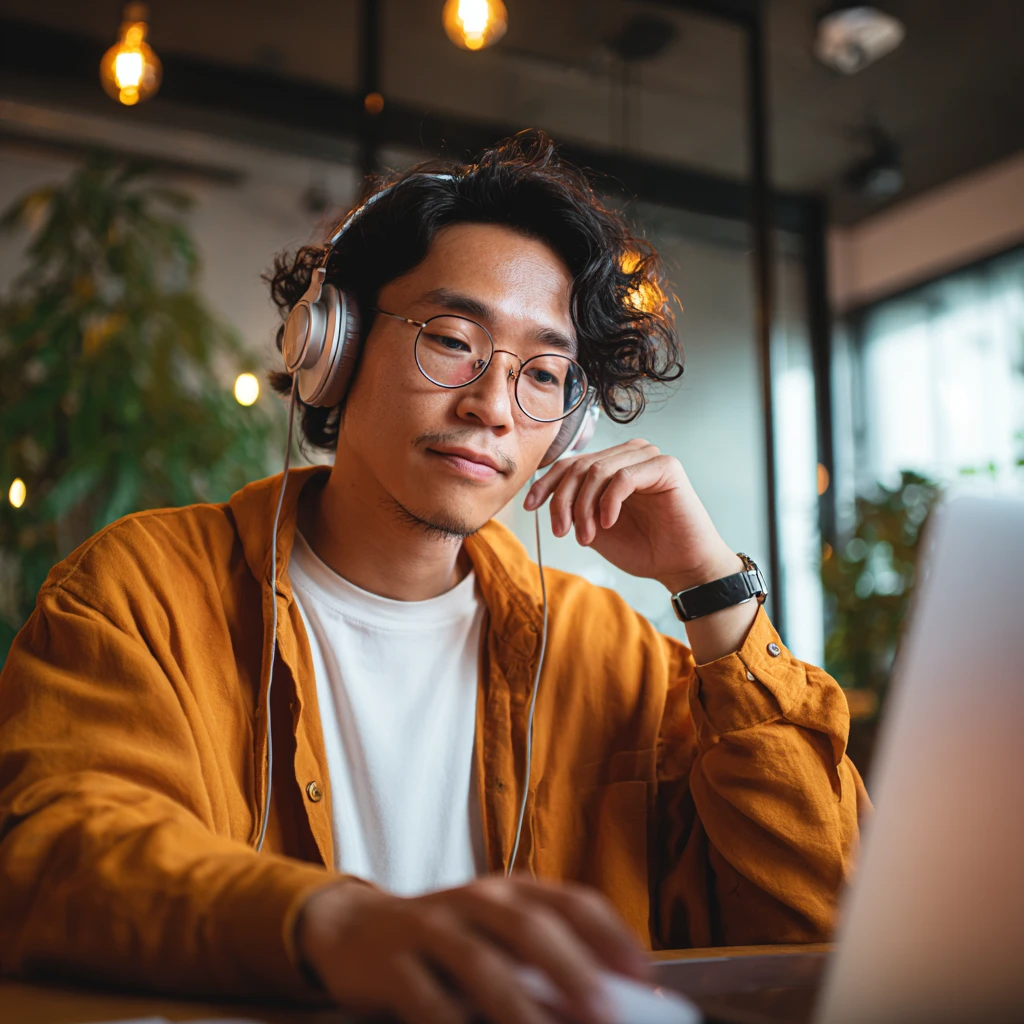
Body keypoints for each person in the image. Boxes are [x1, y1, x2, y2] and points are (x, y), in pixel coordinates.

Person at [0, 132, 868, 1024]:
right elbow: (56, 851)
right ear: (328, 347)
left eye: (541, 373)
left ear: (564, 428)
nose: (492, 407)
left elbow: (821, 923)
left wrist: (711, 588)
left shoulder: (613, 655)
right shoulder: (141, 591)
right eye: (452, 341)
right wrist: (331, 925)